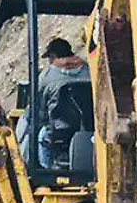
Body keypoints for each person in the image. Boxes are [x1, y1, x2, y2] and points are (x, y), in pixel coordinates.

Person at [17, 36, 92, 169]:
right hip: (89, 129)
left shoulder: (47, 76)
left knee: (34, 129)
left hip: (58, 132)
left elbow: (38, 110)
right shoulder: (89, 70)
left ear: (53, 56)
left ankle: (43, 170)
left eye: (49, 58)